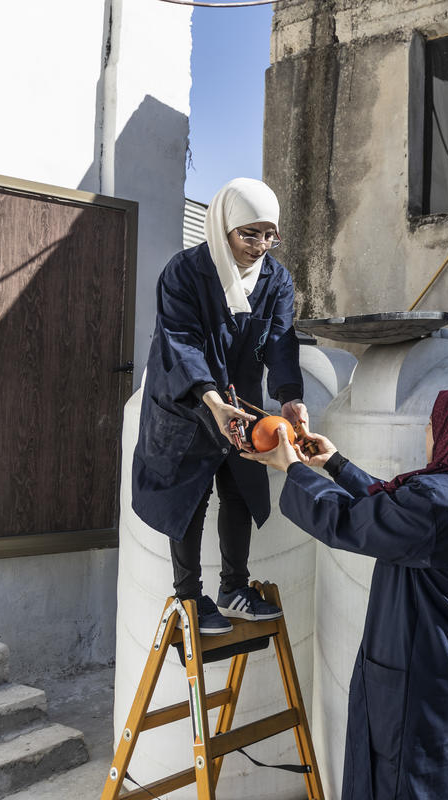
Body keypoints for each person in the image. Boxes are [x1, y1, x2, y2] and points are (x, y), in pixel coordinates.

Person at [245, 386, 448, 800]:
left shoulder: (436, 505)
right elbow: (401, 508)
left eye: (433, 425)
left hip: (432, 699)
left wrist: (293, 468)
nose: (427, 434)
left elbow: (349, 521)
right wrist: (336, 465)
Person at [131, 177, 309, 635]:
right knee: (189, 495)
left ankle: (234, 588)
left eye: (270, 234)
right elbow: (180, 341)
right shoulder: (186, 271)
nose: (261, 245)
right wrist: (210, 399)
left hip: (241, 401)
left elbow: (282, 344)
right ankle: (189, 599)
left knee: (240, 488)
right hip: (188, 400)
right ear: (224, 225)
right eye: (250, 233)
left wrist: (290, 398)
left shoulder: (276, 279)